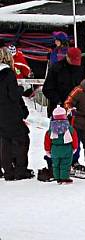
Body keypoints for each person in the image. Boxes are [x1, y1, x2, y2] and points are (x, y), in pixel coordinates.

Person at [0, 47, 32, 181]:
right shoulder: (8, 73)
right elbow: (13, 95)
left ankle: (8, 171)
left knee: (5, 142)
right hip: (11, 112)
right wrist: (21, 88)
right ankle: (20, 171)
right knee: (22, 140)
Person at [43, 46, 85, 117]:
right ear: (67, 56)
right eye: (73, 61)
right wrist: (59, 101)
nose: (75, 64)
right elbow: (47, 89)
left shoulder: (80, 69)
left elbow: (84, 87)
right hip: (59, 111)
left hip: (76, 110)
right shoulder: (56, 68)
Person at [44, 106, 78, 184]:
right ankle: (65, 178)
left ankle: (58, 178)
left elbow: (47, 140)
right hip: (67, 148)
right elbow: (74, 138)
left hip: (55, 149)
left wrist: (47, 150)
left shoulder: (51, 129)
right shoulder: (69, 128)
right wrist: (75, 147)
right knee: (65, 164)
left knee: (56, 164)